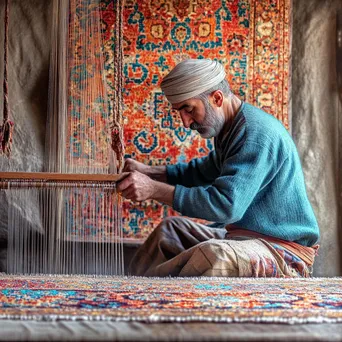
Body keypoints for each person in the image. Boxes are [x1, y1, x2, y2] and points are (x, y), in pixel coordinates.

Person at [117, 58, 320, 278]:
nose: (185, 122)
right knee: (169, 231)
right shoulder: (231, 129)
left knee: (214, 255)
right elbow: (202, 172)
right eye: (180, 112)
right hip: (243, 238)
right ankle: (136, 292)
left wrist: (153, 190)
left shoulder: (255, 136)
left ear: (217, 98)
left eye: (189, 109)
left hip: (281, 250)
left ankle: (147, 288)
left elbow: (226, 206)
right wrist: (149, 171)